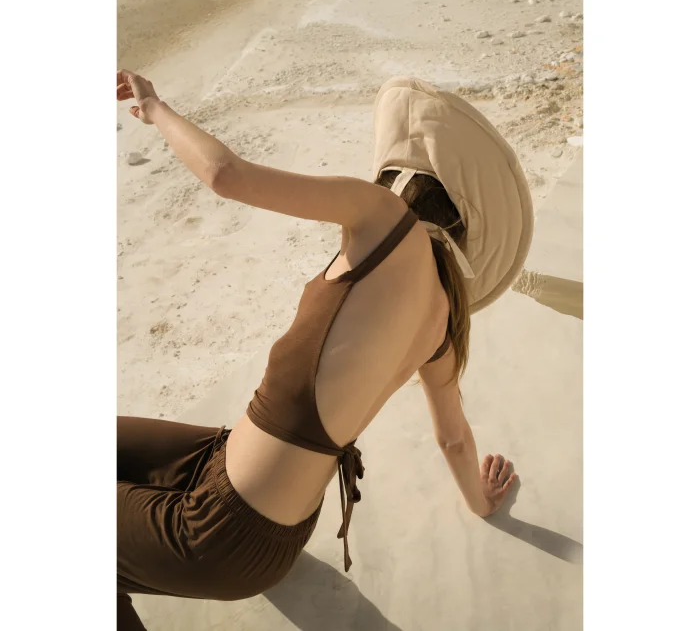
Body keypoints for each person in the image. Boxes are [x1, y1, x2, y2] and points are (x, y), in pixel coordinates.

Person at [116, 71, 534, 630]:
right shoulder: (444, 327)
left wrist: (155, 107)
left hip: (216, 531)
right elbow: (454, 438)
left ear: (403, 183)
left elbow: (226, 175)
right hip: (272, 521)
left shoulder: (380, 214)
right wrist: (482, 503)